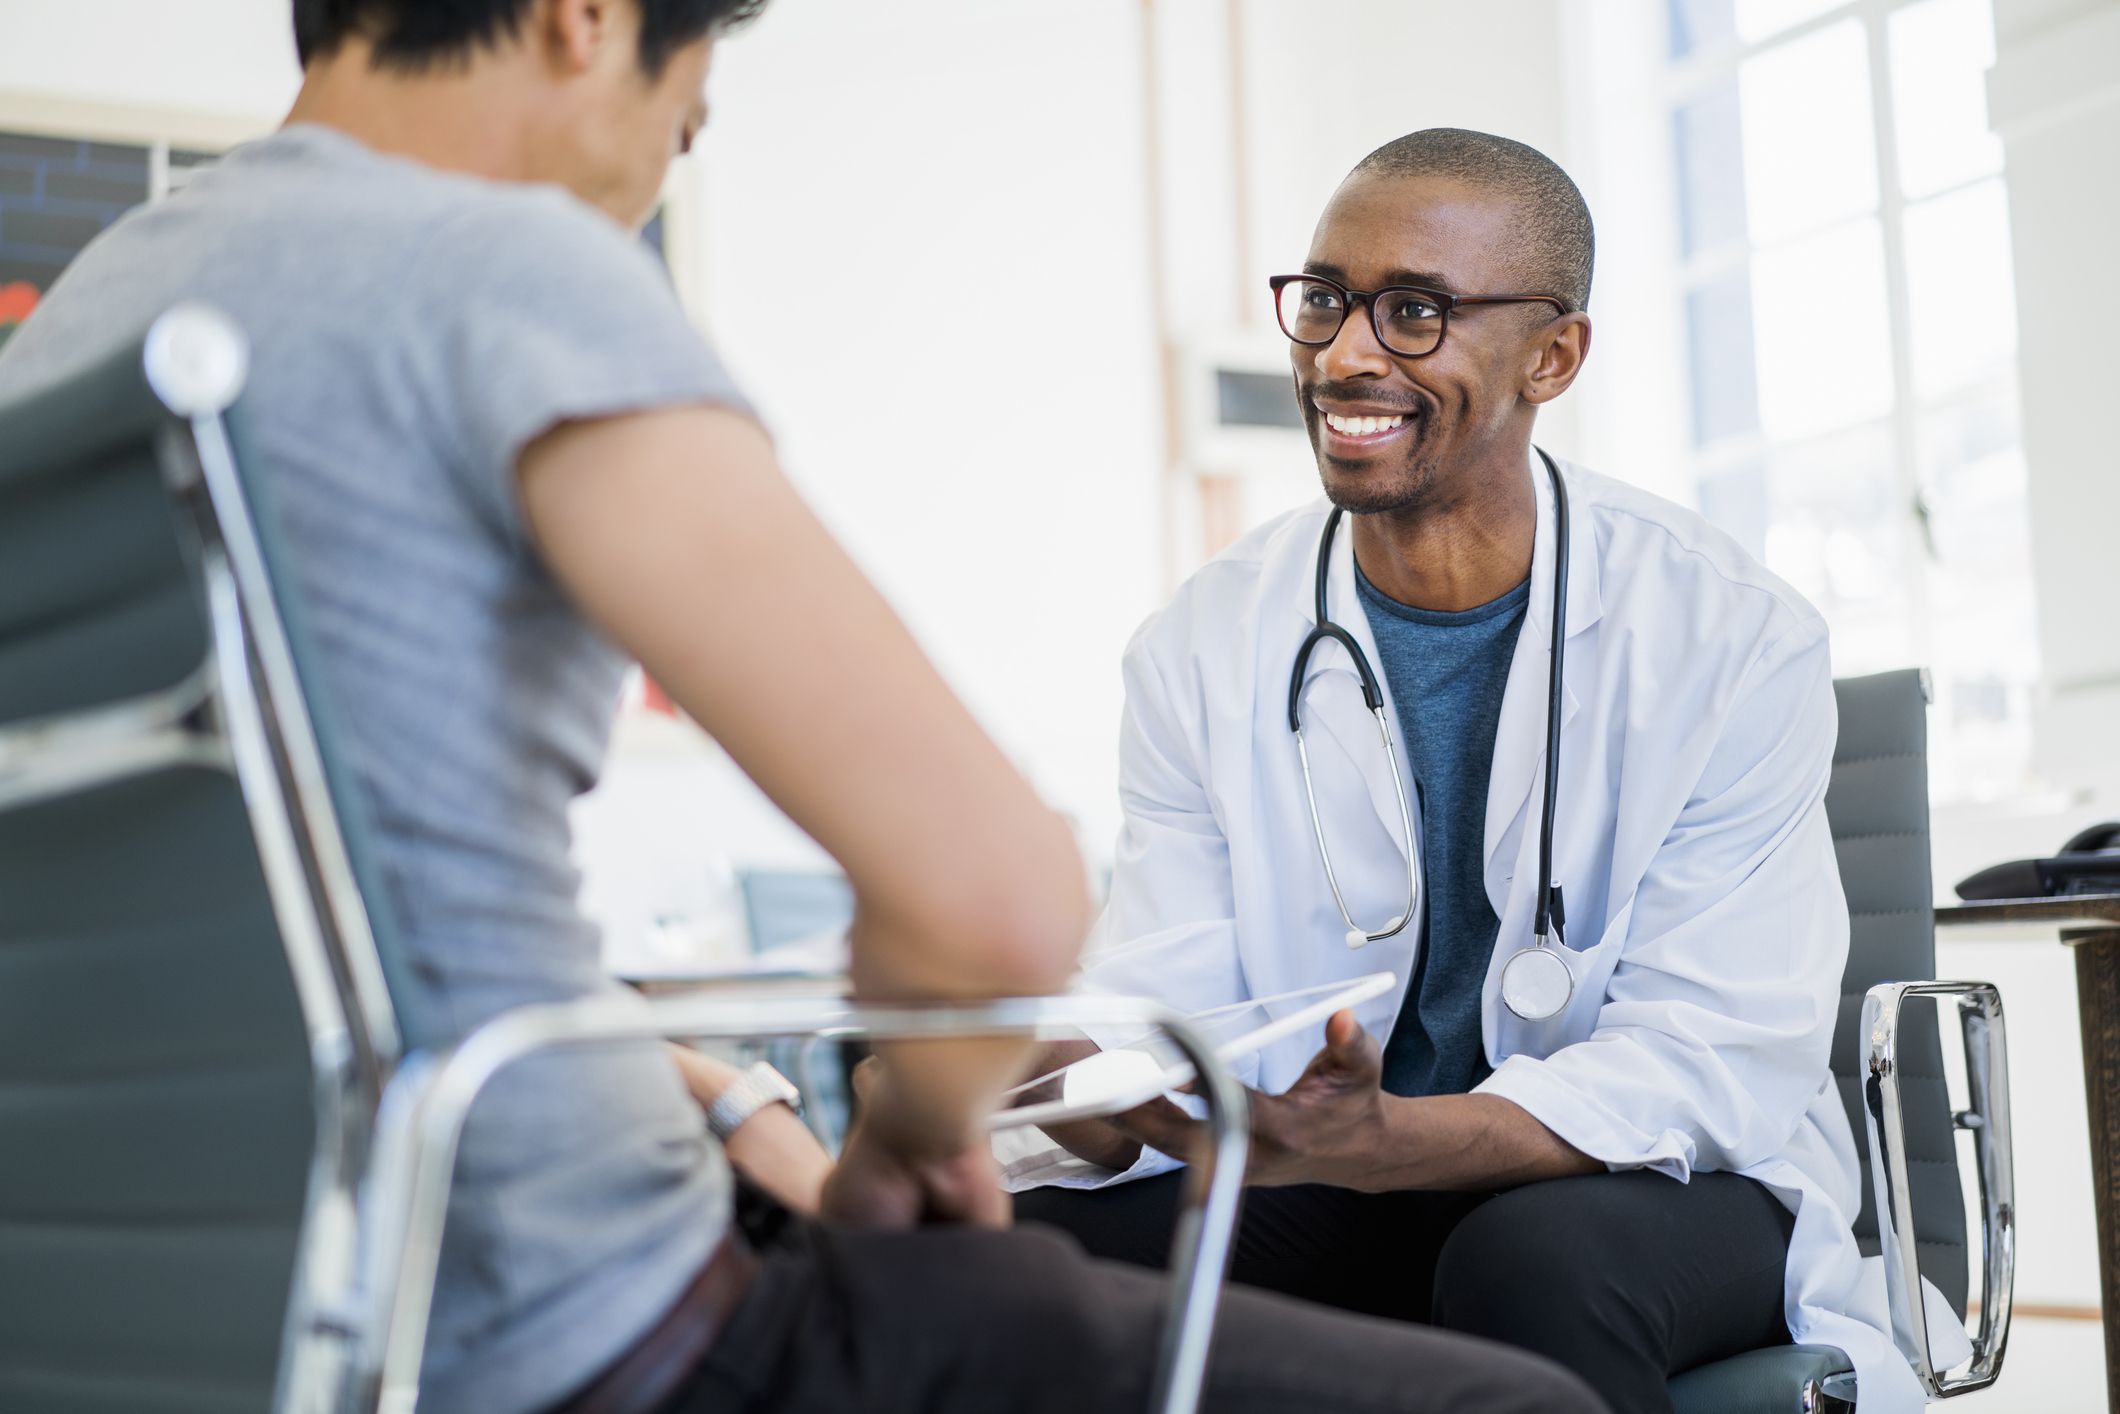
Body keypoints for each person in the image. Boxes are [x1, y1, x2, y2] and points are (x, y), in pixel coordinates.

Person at [0, 10, 1609, 1414]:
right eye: (679, 118)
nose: (649, 179)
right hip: (583, 1322)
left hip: (222, 1322)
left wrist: (742, 1094)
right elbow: (990, 898)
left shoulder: (97, 317)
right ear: (583, 19)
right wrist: (902, 1141)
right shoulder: (496, 269)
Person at [1009, 130, 1931, 1414]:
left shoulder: (1724, 633)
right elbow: (1167, 998)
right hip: (1336, 1166)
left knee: (1528, 1264)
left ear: (1551, 355)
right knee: (1022, 1269)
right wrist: (1057, 1075)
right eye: (1324, 299)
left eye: (1414, 311)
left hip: (1656, 1186)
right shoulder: (1201, 644)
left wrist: (1397, 1141)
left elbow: (1711, 1057)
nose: (1341, 355)